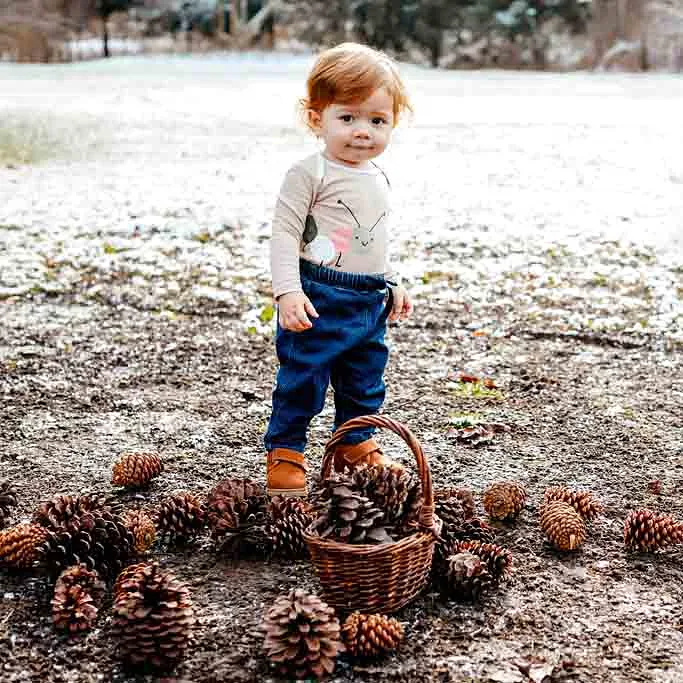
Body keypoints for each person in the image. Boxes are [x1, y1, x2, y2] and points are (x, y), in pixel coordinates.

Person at [264, 42, 414, 496]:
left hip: (369, 299)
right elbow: (285, 234)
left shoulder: (378, 176)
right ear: (317, 118)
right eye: (347, 118)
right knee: (303, 377)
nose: (362, 132)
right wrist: (288, 292)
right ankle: (287, 450)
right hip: (319, 296)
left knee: (365, 379)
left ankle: (354, 441)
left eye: (377, 120)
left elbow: (373, 238)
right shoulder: (310, 173)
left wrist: (391, 280)